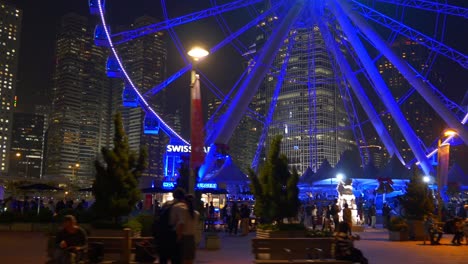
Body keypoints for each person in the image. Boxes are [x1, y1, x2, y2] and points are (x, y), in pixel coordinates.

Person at [178, 194, 200, 264]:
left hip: (184, 238)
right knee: (190, 260)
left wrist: (178, 237)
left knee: (183, 260)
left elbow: (181, 224)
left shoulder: (183, 212)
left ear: (185, 202)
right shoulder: (196, 214)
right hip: (192, 238)